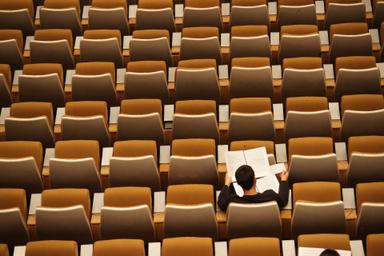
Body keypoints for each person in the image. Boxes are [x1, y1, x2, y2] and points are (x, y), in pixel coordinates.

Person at [218, 164, 289, 212]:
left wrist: (227, 184)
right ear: (255, 179)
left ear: (238, 184)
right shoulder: (271, 196)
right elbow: (283, 200)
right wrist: (283, 180)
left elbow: (221, 202)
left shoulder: (233, 202)